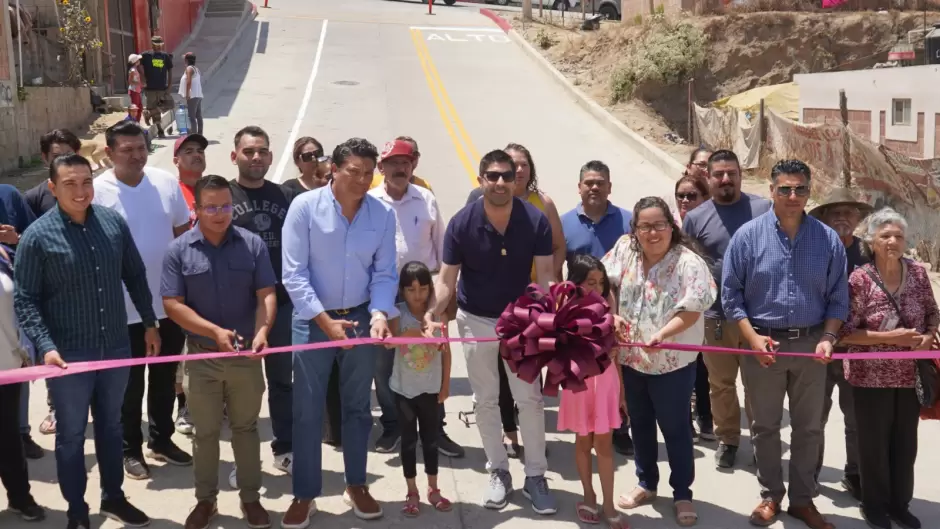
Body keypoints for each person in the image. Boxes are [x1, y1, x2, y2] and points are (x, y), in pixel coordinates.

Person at [14, 153, 155, 529]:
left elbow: (135, 275)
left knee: (112, 427)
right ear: (52, 188)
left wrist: (150, 322)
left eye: (86, 182)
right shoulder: (37, 237)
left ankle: (114, 498)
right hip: (68, 355)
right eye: (70, 184)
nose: (80, 191)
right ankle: (77, 510)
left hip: (115, 347)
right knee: (72, 435)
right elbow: (25, 298)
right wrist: (45, 345)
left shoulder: (112, 224)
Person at [426, 150, 556, 514]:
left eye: (506, 176)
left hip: (521, 323)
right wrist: (432, 314)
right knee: (485, 400)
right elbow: (447, 280)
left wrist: (549, 315)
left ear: (517, 179)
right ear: (481, 179)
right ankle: (498, 472)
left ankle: (535, 477)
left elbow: (545, 275)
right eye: (492, 176)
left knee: (528, 399)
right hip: (476, 320)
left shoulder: (535, 219)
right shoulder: (461, 223)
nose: (500, 182)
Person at [722, 159, 848, 529]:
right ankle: (771, 496)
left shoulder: (827, 239)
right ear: (772, 191)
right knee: (764, 425)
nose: (793, 196)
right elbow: (731, 296)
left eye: (801, 189)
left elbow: (839, 298)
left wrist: (827, 337)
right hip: (763, 344)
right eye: (785, 189)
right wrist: (752, 338)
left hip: (811, 345)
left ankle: (803, 500)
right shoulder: (747, 237)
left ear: (810, 192)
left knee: (809, 427)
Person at [281, 138, 398, 526]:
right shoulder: (304, 208)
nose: (363, 180)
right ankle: (305, 493)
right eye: (354, 172)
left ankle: (357, 484)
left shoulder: (382, 214)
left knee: (358, 409)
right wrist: (325, 322)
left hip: (362, 318)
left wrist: (380, 312)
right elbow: (293, 275)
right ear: (334, 168)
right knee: (308, 411)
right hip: (313, 321)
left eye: (369, 173)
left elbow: (383, 273)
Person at [162, 174, 277, 529]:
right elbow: (172, 304)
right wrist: (212, 331)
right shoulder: (179, 250)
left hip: (244, 357)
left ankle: (250, 498)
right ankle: (205, 501)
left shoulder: (252, 244)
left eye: (225, 205)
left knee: (245, 429)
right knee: (206, 432)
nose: (219, 213)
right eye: (210, 206)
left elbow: (266, 295)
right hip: (202, 358)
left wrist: (262, 331)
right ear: (195, 209)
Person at [603, 196, 715, 527]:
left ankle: (682, 493)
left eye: (659, 225)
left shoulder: (688, 263)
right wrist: (611, 313)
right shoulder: (625, 248)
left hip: (672, 365)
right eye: (644, 226)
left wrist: (664, 333)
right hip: (632, 359)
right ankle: (646, 483)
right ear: (634, 229)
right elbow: (603, 280)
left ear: (671, 226)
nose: (652, 233)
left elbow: (693, 307)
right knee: (639, 423)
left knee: (676, 428)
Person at [94, 121, 192, 480]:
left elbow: (183, 236)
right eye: (127, 150)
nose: (137, 156)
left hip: (167, 304)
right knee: (129, 385)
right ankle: (129, 449)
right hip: (122, 310)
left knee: (165, 379)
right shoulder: (97, 192)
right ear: (109, 154)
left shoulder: (165, 182)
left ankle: (162, 439)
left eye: (141, 148)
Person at [838, 208, 938, 529]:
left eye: (898, 235)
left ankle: (900, 504)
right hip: (870, 376)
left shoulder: (919, 274)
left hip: (910, 376)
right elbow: (844, 333)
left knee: (905, 443)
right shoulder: (859, 279)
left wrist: (927, 336)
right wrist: (890, 337)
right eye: (886, 236)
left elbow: (933, 313)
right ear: (872, 241)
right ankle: (875, 505)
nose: (893, 241)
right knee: (873, 444)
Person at [465, 143, 565, 457]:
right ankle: (506, 442)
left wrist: (547, 296)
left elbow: (556, 250)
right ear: (483, 178)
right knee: (492, 390)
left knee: (527, 388)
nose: (514, 174)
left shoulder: (540, 207)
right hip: (485, 311)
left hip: (529, 308)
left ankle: (535, 465)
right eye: (506, 169)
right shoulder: (473, 206)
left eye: (519, 167)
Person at [367, 139, 464, 458]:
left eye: (405, 162)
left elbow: (442, 255)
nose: (399, 168)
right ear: (381, 167)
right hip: (384, 292)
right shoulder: (369, 201)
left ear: (414, 165)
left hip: (423, 294)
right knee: (384, 363)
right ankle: (393, 424)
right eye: (392, 162)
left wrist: (439, 302)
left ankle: (436, 427)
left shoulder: (426, 199)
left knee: (431, 358)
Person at [681, 149, 771, 467]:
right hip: (715, 316)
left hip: (759, 317)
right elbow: (686, 265)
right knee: (720, 385)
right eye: (718, 174)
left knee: (759, 385)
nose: (724, 179)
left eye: (731, 173)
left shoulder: (764, 209)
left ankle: (763, 443)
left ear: (740, 174)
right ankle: (728, 440)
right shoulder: (695, 218)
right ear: (709, 177)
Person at [228, 126, 296, 485]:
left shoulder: (285, 196)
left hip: (281, 307)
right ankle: (245, 458)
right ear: (235, 155)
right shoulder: (223, 194)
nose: (256, 158)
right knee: (243, 389)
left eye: (263, 152)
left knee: (283, 382)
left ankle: (285, 449)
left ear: (270, 157)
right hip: (238, 310)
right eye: (249, 151)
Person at [559, 160, 634, 456]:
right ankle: (586, 427)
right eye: (588, 182)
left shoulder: (627, 221)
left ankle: (620, 427)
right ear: (579, 187)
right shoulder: (564, 223)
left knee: (618, 370)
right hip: (580, 317)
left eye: (600, 182)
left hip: (619, 308)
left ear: (609, 187)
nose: (594, 187)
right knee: (587, 374)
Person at [808, 187, 873, 500]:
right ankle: (810, 472)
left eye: (848, 212)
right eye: (835, 213)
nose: (842, 218)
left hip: (857, 351)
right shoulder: (811, 249)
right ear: (824, 218)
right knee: (813, 417)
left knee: (856, 418)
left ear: (858, 217)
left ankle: (855, 473)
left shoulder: (869, 252)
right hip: (818, 347)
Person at [557, 255, 626, 529]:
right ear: (576, 284)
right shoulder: (564, 313)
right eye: (590, 282)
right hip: (580, 384)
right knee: (583, 442)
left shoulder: (611, 312)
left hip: (606, 382)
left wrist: (622, 393)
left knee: (605, 446)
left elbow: (617, 357)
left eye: (601, 283)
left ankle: (609, 504)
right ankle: (588, 495)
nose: (597, 289)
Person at [389, 261, 454, 517]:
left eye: (423, 289)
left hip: (430, 389)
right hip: (403, 390)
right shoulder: (397, 313)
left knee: (430, 440)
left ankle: (433, 488)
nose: (417, 295)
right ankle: (412, 491)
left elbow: (446, 351)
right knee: (408, 442)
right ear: (402, 291)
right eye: (411, 290)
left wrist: (446, 384)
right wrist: (417, 332)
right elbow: (389, 342)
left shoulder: (438, 316)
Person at [0, 243, 46, 522]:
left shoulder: (4, 255)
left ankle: (20, 497)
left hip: (6, 363)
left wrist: (24, 349)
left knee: (8, 435)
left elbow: (20, 307)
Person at [673, 173, 712, 442]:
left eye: (692, 195)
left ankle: (707, 419)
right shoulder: (669, 227)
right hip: (678, 310)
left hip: (708, 308)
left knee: (704, 370)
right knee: (683, 369)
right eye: (681, 196)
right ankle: (685, 425)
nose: (686, 200)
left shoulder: (711, 225)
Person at [25, 129, 82, 218]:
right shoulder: (34, 198)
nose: (64, 162)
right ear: (45, 157)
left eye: (69, 155)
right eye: (56, 157)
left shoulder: (92, 191)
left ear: (78, 154)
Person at [140, 35, 174, 137]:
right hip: (150, 87)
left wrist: (169, 85)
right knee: (155, 109)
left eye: (160, 45)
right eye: (156, 45)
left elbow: (170, 70)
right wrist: (142, 77)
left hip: (162, 87)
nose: (159, 47)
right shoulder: (146, 55)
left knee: (170, 104)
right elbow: (136, 64)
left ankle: (148, 114)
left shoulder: (165, 56)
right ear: (152, 45)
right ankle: (160, 130)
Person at [179, 52, 204, 135]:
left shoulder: (189, 68)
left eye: (185, 59)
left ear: (187, 60)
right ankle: (199, 134)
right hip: (198, 95)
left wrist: (187, 94)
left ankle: (193, 135)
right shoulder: (196, 69)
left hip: (193, 96)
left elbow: (188, 82)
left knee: (192, 117)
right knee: (198, 116)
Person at [127, 54, 143, 122]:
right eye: (138, 60)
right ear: (135, 61)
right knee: (135, 108)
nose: (139, 61)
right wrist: (139, 83)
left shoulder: (135, 69)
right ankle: (134, 123)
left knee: (140, 107)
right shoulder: (133, 70)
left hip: (137, 90)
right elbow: (130, 81)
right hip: (134, 91)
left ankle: (136, 123)